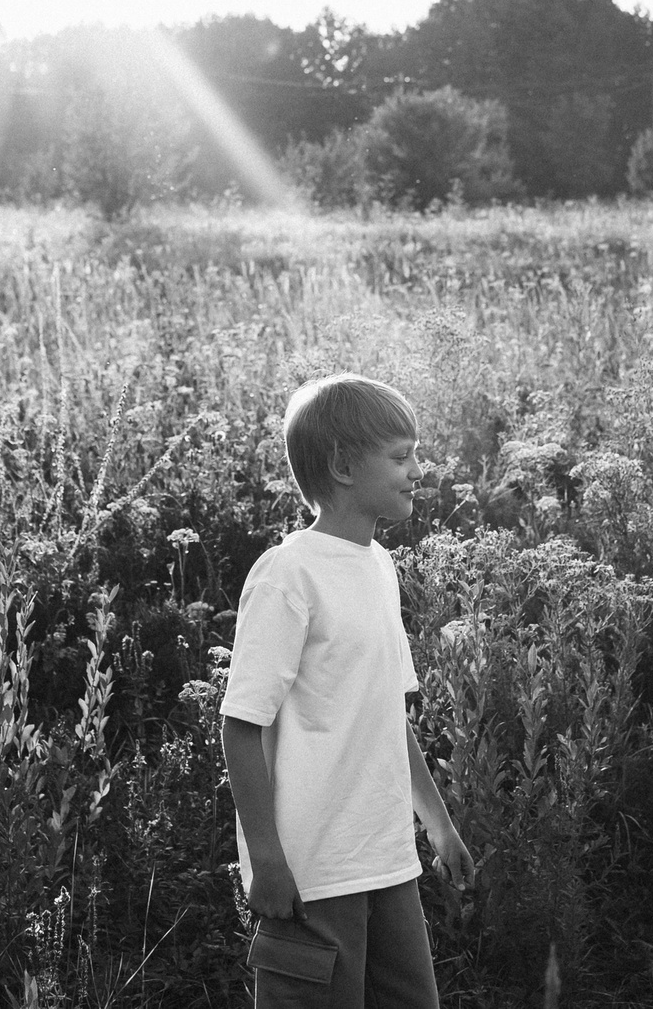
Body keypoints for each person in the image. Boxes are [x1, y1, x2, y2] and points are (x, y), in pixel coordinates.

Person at [221, 374, 476, 1009]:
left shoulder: (380, 568)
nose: (418, 470)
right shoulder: (289, 573)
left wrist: (438, 826)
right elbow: (242, 725)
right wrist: (268, 861)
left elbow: (389, 715)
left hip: (386, 861)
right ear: (341, 465)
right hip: (311, 874)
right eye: (400, 456)